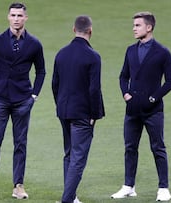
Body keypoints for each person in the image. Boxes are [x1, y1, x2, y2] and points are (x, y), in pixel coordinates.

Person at [0, 2, 46, 201]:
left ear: (26, 18)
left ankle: (18, 186)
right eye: (13, 15)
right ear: (8, 17)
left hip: (23, 100)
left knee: (20, 144)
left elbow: (41, 70)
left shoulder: (34, 43)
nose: (16, 19)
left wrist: (34, 95)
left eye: (20, 15)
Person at [111, 12, 171, 202]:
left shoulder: (162, 52)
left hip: (153, 111)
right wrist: (125, 94)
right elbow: (123, 76)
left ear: (149, 28)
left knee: (158, 148)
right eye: (134, 25)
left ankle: (163, 188)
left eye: (138, 25)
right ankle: (128, 186)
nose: (134, 28)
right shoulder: (130, 50)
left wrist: (153, 99)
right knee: (130, 148)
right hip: (132, 110)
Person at [52, 15, 105, 203]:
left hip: (64, 112)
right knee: (78, 158)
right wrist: (95, 114)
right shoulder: (93, 57)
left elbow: (54, 85)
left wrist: (60, 106)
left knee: (69, 154)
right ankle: (67, 200)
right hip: (83, 114)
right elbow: (94, 89)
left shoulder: (61, 54)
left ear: (73, 30)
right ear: (90, 31)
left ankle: (71, 197)